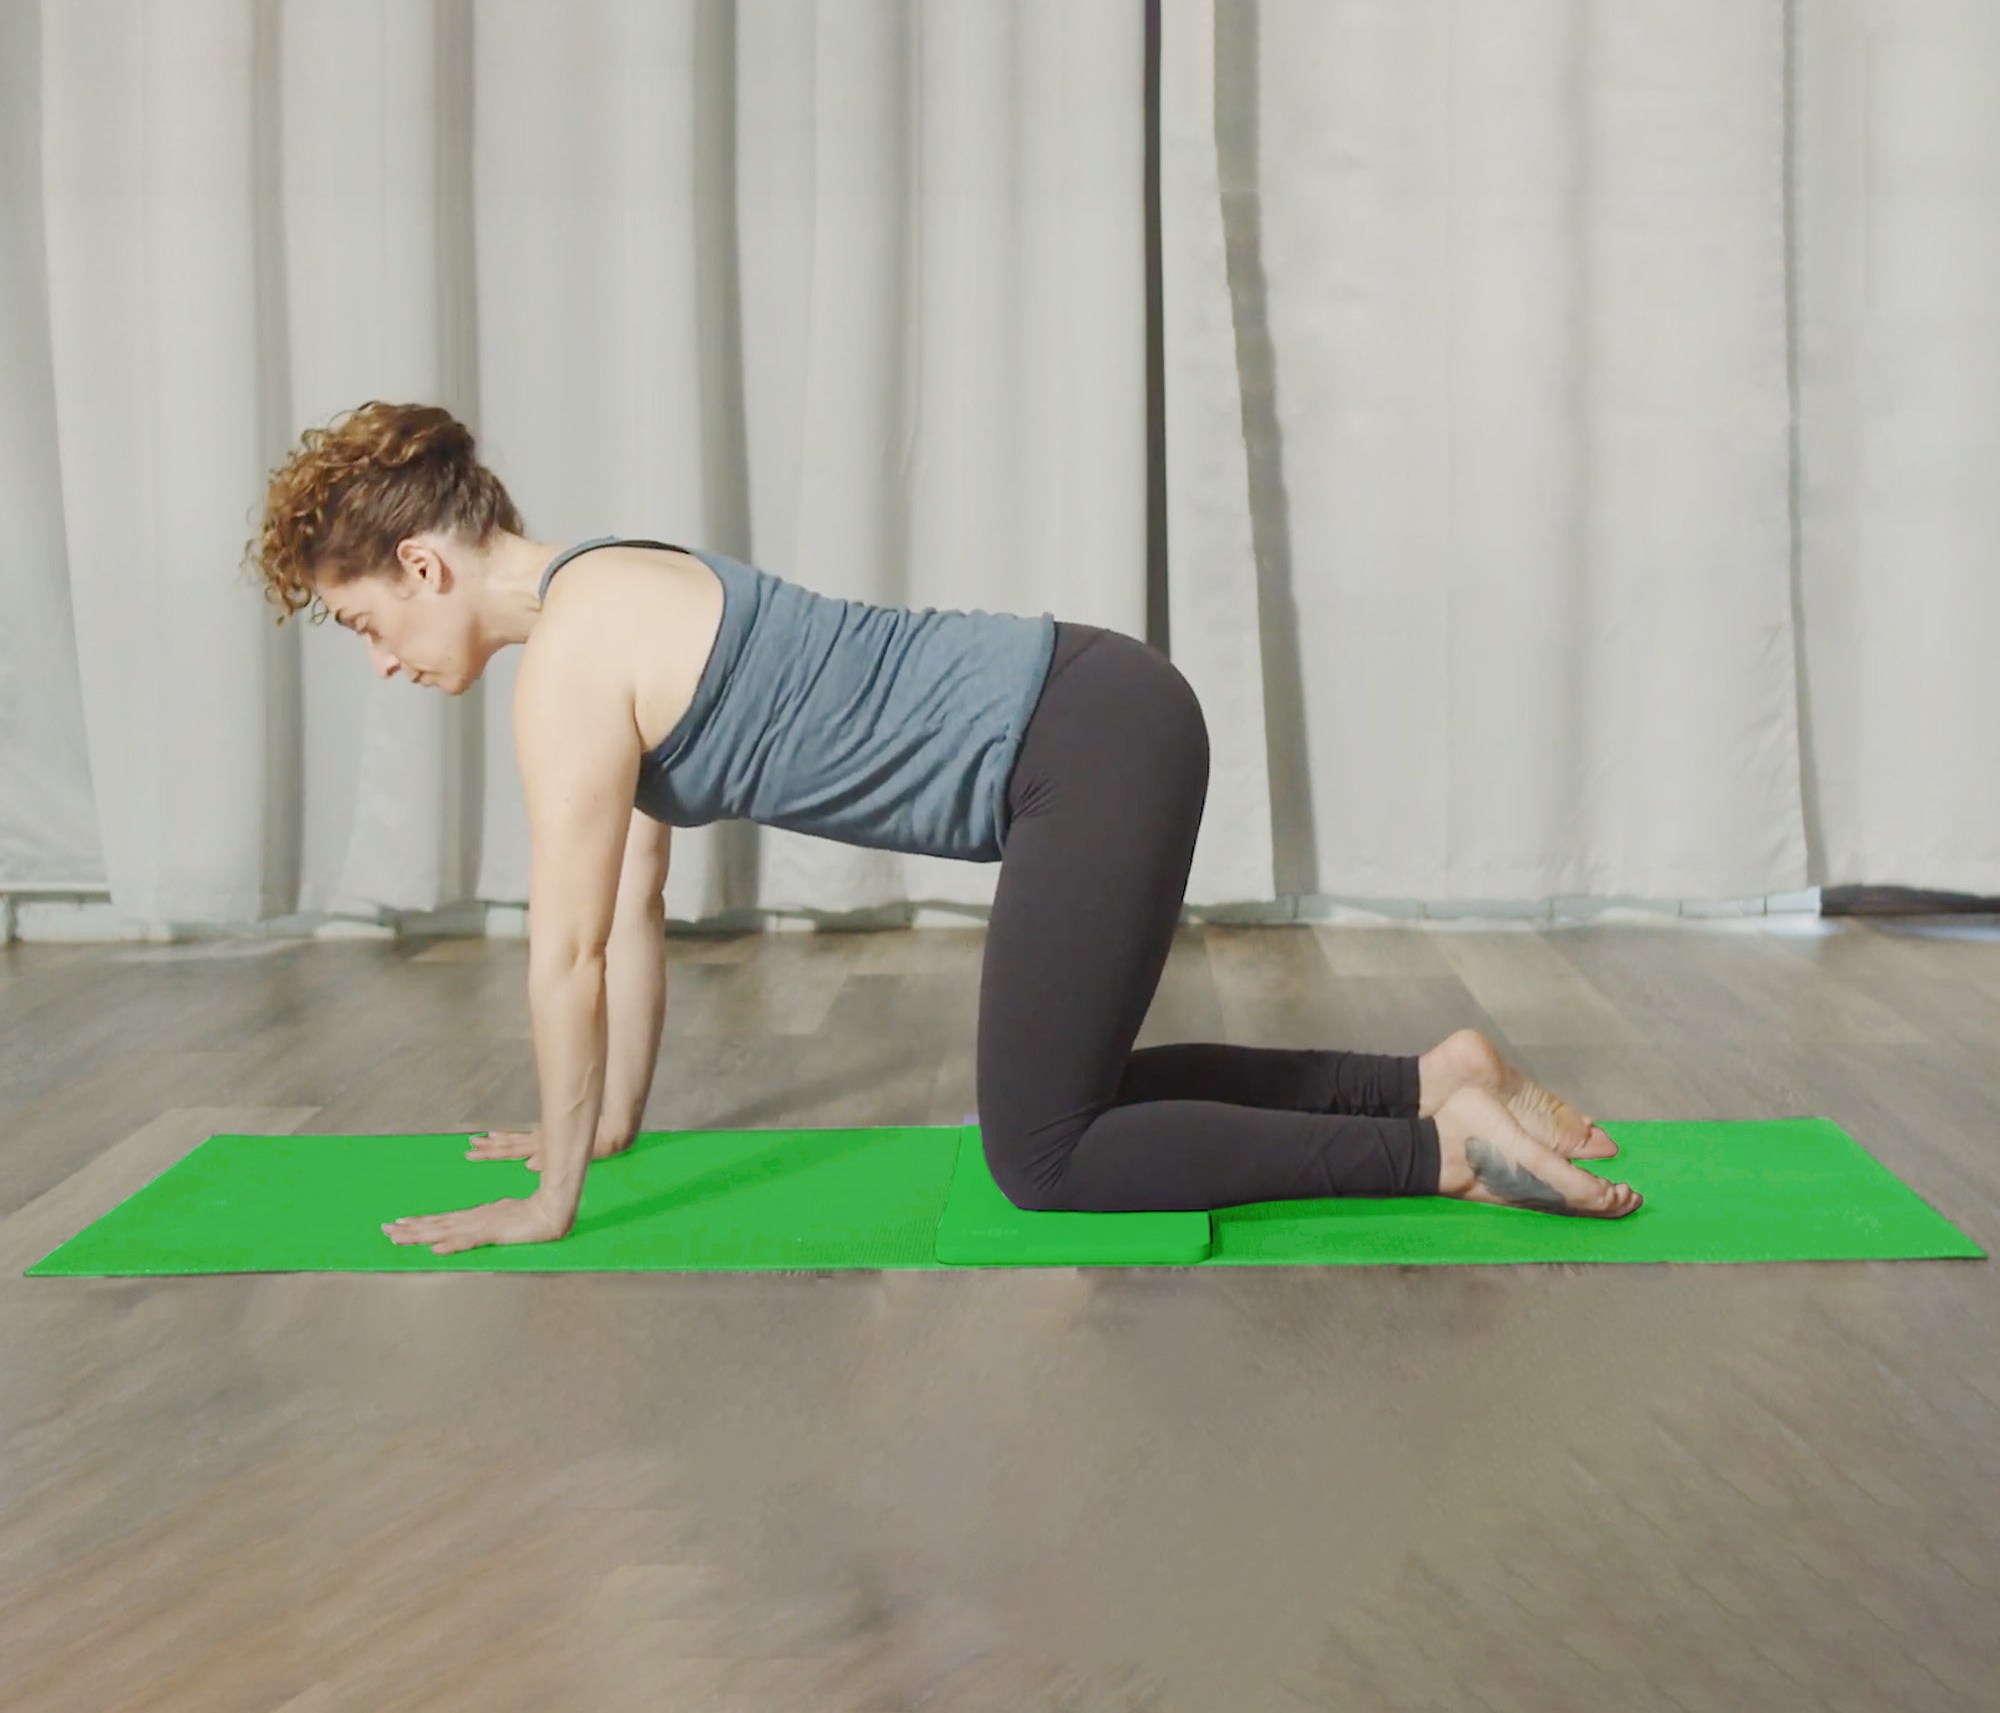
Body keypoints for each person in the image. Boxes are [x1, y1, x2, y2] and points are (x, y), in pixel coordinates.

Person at [245, 401, 1642, 1256]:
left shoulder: (566, 665)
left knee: (1042, 1158)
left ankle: (1441, 1153)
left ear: (422, 564)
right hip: (1102, 713)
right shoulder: (615, 580)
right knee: (1070, 1100)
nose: (383, 661)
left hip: (1081, 746)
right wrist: (602, 1131)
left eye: (367, 624)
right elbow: (629, 906)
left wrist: (550, 1201)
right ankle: (1426, 1078)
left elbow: (564, 958)